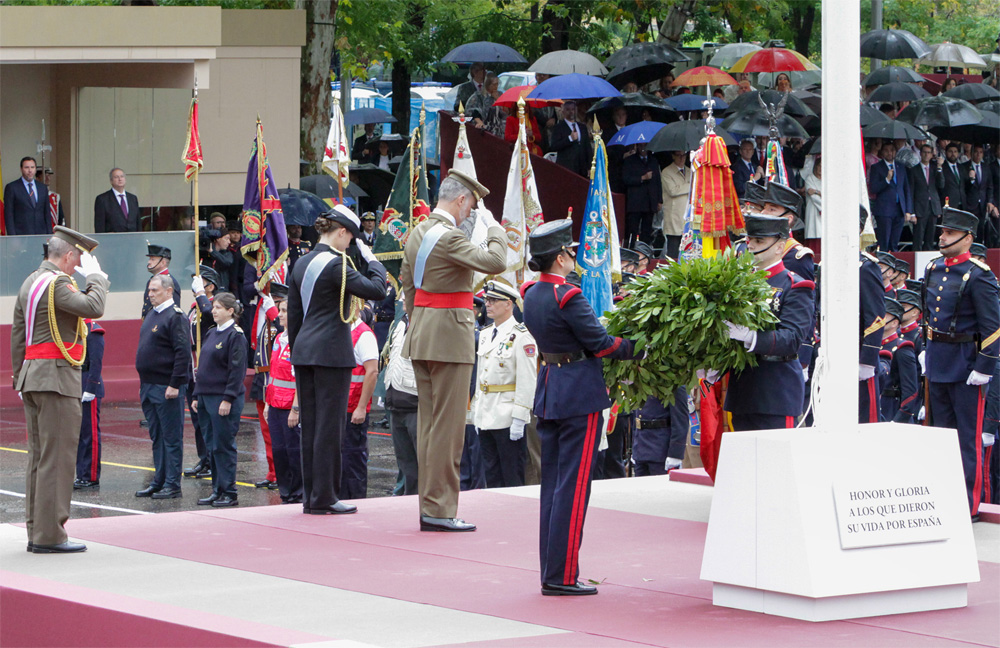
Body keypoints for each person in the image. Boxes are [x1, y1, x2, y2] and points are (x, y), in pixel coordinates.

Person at [521, 219, 641, 595]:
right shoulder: (567, 296)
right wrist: (640, 347)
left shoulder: (531, 293)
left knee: (554, 485)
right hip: (578, 392)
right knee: (574, 488)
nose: (574, 256)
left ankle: (551, 570)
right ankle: (562, 576)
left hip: (552, 387)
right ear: (560, 258)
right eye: (570, 252)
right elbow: (602, 343)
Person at [400, 170, 507, 532]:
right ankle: (440, 509)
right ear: (460, 200)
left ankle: (430, 504)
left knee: (430, 427)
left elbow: (408, 286)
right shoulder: (447, 237)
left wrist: (420, 324)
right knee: (447, 430)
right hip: (449, 336)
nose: (472, 213)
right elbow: (495, 262)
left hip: (424, 333)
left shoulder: (418, 232)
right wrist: (494, 227)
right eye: (472, 206)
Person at [12, 227, 108, 553]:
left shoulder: (30, 282)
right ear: (68, 256)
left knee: (39, 459)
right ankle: (50, 536)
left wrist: (20, 378)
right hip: (56, 380)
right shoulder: (57, 285)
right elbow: (93, 306)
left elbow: (17, 334)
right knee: (57, 460)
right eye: (78, 260)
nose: (77, 266)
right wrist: (97, 278)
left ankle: (36, 530)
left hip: (34, 378)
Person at [287, 205, 387, 515]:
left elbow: (293, 316)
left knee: (312, 426)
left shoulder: (302, 262)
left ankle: (312, 496)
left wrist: (298, 352)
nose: (351, 243)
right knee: (329, 428)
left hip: (305, 351)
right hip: (331, 354)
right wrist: (371, 259)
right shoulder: (337, 264)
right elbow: (378, 290)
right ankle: (325, 497)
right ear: (342, 232)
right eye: (352, 237)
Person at [923, 207, 1000, 519]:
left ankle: (968, 505)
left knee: (967, 438)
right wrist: (926, 348)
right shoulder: (933, 268)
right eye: (942, 232)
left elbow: (992, 327)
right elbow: (928, 314)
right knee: (941, 435)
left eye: (950, 233)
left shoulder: (979, 275)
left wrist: (984, 366)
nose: (943, 237)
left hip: (967, 365)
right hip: (938, 359)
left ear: (968, 238)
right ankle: (943, 497)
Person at [723, 213, 815, 431]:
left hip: (776, 391)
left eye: (759, 241)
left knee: (775, 463)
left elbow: (792, 338)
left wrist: (752, 337)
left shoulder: (795, 285)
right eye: (750, 241)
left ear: (779, 246)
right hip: (743, 391)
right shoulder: (738, 283)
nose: (751, 247)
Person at [471, 281, 537, 488]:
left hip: (507, 414)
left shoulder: (522, 336)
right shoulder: (484, 334)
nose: (487, 305)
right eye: (486, 300)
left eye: (493, 301)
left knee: (511, 475)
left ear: (509, 304)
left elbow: (527, 379)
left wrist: (520, 416)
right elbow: (481, 374)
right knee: (491, 474)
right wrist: (475, 412)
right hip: (486, 412)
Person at [135, 274, 190, 500]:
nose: (150, 295)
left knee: (171, 437)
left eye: (155, 290)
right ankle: (159, 480)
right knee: (157, 436)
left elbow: (183, 353)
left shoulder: (175, 317)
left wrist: (175, 383)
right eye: (149, 291)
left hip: (166, 387)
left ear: (169, 291)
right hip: (148, 386)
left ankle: (172, 484)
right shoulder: (151, 315)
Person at [191, 292, 248, 508]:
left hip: (222, 398)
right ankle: (217, 489)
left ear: (230, 311)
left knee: (224, 446)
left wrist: (228, 398)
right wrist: (196, 394)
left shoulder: (235, 335)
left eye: (218, 308)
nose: (213, 311)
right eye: (213, 307)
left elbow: (236, 371)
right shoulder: (211, 333)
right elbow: (204, 367)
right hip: (206, 397)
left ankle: (229, 492)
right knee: (212, 446)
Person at [264, 294, 304, 504]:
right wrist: (268, 403)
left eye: (284, 311)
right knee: (279, 451)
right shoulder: (280, 338)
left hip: (291, 407)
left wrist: (296, 409)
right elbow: (274, 374)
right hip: (276, 405)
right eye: (279, 310)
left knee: (294, 452)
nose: (279, 315)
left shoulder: (300, 340)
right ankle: (286, 493)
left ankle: (298, 494)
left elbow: (300, 378)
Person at [183, 266, 220, 479]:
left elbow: (211, 316)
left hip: (207, 368)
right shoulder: (193, 307)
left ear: (210, 286)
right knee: (198, 419)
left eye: (201, 281)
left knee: (209, 419)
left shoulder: (215, 304)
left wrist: (200, 296)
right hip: (192, 367)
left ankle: (213, 459)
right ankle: (203, 458)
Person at [342, 314, 379, 499]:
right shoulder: (342, 330)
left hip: (352, 409)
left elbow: (372, 372)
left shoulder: (363, 334)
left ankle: (356, 501)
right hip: (339, 408)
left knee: (353, 462)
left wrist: (361, 407)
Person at [384, 301, 420, 495]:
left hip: (416, 402)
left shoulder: (425, 324)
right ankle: (409, 500)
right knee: (406, 463)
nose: (404, 300)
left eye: (409, 295)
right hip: (396, 401)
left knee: (424, 462)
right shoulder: (400, 323)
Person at [248, 285, 282, 491]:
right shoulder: (266, 320)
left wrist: (273, 311)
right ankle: (272, 472)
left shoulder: (279, 320)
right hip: (262, 376)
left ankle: (280, 472)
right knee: (266, 431)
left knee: (276, 431)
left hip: (275, 378)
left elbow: (285, 331)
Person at [860, 208, 888, 424]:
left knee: (864, 420)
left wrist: (867, 360)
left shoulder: (866, 267)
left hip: (858, 354)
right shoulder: (827, 265)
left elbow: (876, 317)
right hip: (832, 354)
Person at [74, 319, 105, 490]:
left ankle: (90, 476)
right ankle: (81, 474)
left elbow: (96, 362)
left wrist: (91, 386)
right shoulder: (73, 327)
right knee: (78, 435)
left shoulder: (93, 330)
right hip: (74, 385)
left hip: (87, 385)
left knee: (89, 434)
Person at [879, 298, 920, 423]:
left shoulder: (902, 348)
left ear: (894, 323)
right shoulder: (872, 346)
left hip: (892, 409)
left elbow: (910, 391)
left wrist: (898, 420)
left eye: (884, 316)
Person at [869, 141, 914, 251]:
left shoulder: (901, 167)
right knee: (884, 242)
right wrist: (886, 180)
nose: (890, 153)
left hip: (899, 209)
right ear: (882, 153)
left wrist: (908, 210)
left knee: (895, 242)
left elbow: (906, 189)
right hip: (884, 210)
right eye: (887, 151)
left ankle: (894, 266)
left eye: (892, 150)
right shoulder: (876, 167)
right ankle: (883, 265)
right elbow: (873, 188)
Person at [632, 389, 688, 476]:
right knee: (640, 488)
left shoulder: (674, 382)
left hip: (661, 450)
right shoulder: (643, 381)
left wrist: (675, 454)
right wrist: (635, 446)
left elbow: (680, 420)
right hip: (641, 447)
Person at [622, 143, 662, 247]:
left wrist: (659, 200)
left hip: (650, 201)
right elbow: (626, 179)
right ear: (637, 147)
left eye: (645, 146)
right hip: (636, 202)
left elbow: (658, 181)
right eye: (641, 146)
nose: (643, 148)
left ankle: (644, 253)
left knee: (647, 231)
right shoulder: (630, 161)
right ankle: (631, 250)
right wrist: (642, 178)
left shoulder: (653, 160)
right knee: (633, 230)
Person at [909, 144, 945, 251]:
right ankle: (916, 261)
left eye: (929, 153)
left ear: (931, 155)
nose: (926, 155)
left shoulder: (935, 169)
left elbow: (941, 185)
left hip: (933, 207)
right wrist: (912, 212)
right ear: (920, 154)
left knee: (931, 237)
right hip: (920, 208)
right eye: (924, 152)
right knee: (918, 238)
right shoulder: (913, 170)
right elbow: (911, 192)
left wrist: (939, 168)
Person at [4, 156, 52, 235]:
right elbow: (9, 215)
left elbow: (47, 213)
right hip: (21, 236)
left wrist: (49, 234)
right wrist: (12, 237)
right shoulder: (12, 188)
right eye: (26, 167)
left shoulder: (42, 188)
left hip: (40, 234)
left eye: (32, 167)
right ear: (21, 169)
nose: (30, 170)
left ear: (35, 169)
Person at [961, 144, 998, 246]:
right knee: (969, 232)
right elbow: (963, 187)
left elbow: (990, 186)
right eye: (976, 152)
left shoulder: (986, 167)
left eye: (981, 152)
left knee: (981, 231)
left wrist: (990, 201)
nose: (978, 155)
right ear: (972, 153)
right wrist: (971, 180)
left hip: (982, 205)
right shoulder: (965, 167)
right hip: (970, 204)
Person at [548, 101, 592, 177]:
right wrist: (569, 138)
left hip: (582, 168)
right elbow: (554, 146)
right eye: (568, 109)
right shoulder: (558, 127)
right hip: (567, 167)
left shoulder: (582, 127)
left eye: (573, 109)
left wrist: (590, 166)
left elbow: (587, 147)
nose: (571, 112)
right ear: (563, 111)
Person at [660, 150, 689, 261]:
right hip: (674, 217)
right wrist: (690, 185)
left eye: (683, 155)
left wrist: (683, 186)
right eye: (678, 155)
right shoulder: (666, 172)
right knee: (673, 250)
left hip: (687, 216)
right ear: (673, 156)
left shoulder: (691, 171)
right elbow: (673, 191)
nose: (681, 158)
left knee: (688, 249)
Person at [94, 168, 140, 233]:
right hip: (113, 240)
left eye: (122, 176)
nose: (120, 179)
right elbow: (99, 226)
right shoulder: (102, 199)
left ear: (125, 179)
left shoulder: (133, 198)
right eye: (116, 177)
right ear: (111, 181)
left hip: (132, 239)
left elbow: (138, 222)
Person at [142, 243, 181, 317]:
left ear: (163, 263)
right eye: (150, 259)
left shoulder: (170, 282)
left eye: (153, 259)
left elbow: (174, 313)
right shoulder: (151, 280)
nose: (149, 262)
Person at [941, 143, 967, 211]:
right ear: (945, 153)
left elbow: (966, 185)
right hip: (949, 204)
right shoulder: (942, 167)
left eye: (955, 151)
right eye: (950, 151)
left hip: (962, 205)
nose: (953, 154)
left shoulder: (961, 167)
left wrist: (972, 179)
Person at [804, 157, 822, 241]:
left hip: (824, 215)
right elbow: (814, 197)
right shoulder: (809, 179)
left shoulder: (827, 180)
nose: (821, 168)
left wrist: (817, 192)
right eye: (819, 166)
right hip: (813, 211)